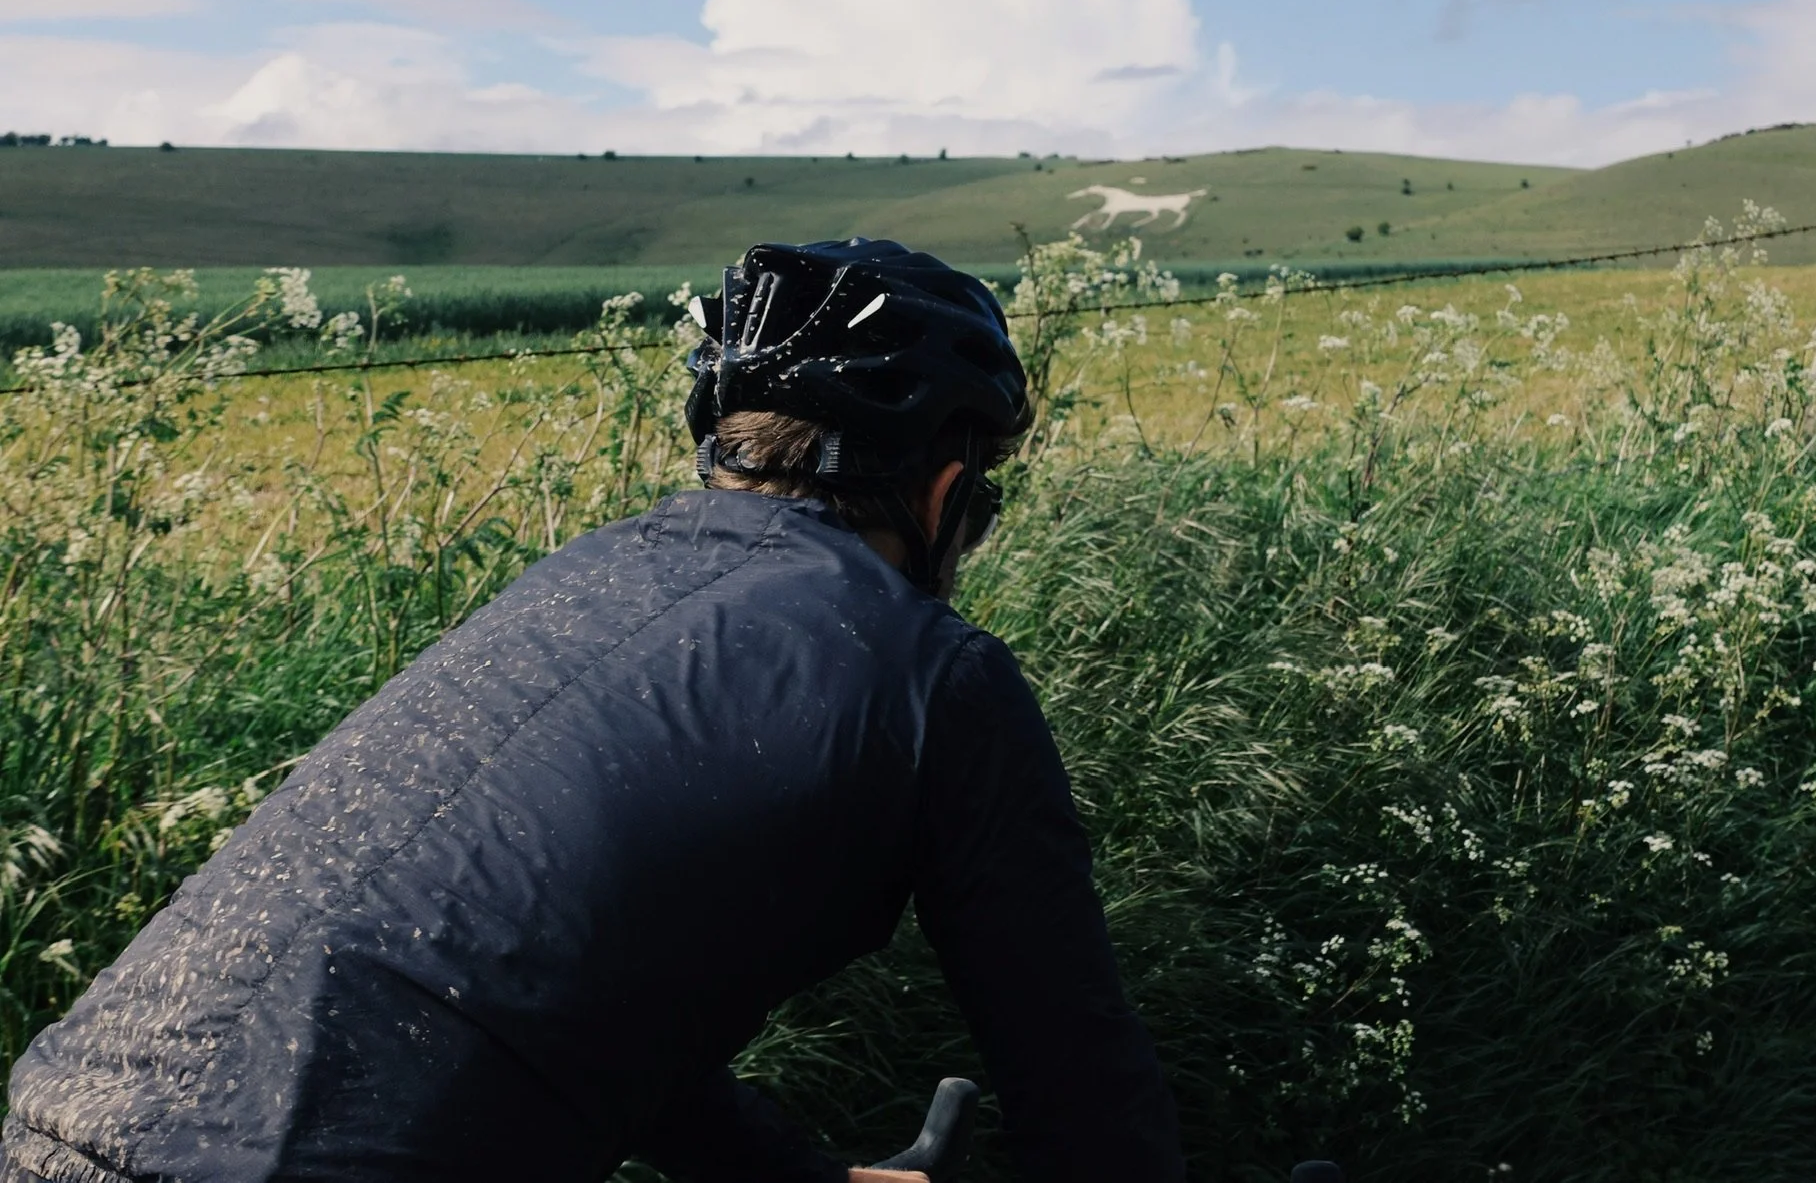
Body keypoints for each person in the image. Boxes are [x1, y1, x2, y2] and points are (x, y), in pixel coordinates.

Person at [3, 239, 1185, 1183]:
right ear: (945, 490)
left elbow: (526, 968)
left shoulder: (576, 578)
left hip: (57, 1121)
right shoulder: (938, 676)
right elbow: (1076, 1085)